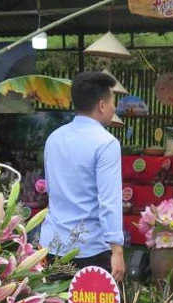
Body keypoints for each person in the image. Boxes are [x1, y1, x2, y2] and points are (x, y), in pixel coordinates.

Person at [39, 72, 125, 281]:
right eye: (112, 102)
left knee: (54, 302)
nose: (114, 108)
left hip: (52, 245)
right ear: (102, 105)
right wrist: (117, 251)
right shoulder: (106, 143)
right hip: (90, 250)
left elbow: (51, 190)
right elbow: (109, 201)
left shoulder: (54, 138)